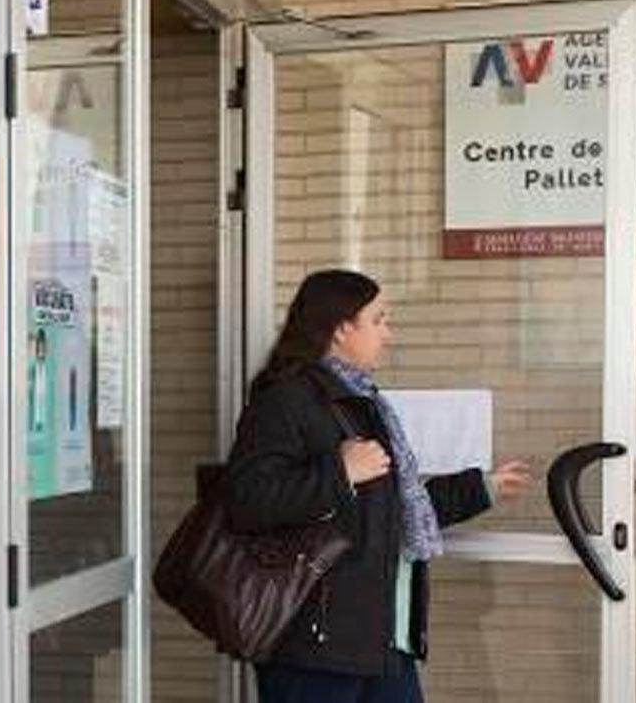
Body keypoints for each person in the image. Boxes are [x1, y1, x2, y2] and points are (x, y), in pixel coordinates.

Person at [223, 269, 531, 703]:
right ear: (341, 327)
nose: (388, 333)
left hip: (381, 641)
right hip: (314, 649)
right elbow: (247, 501)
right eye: (379, 319)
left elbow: (393, 509)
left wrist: (483, 487)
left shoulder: (364, 403)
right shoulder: (286, 399)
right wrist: (339, 472)